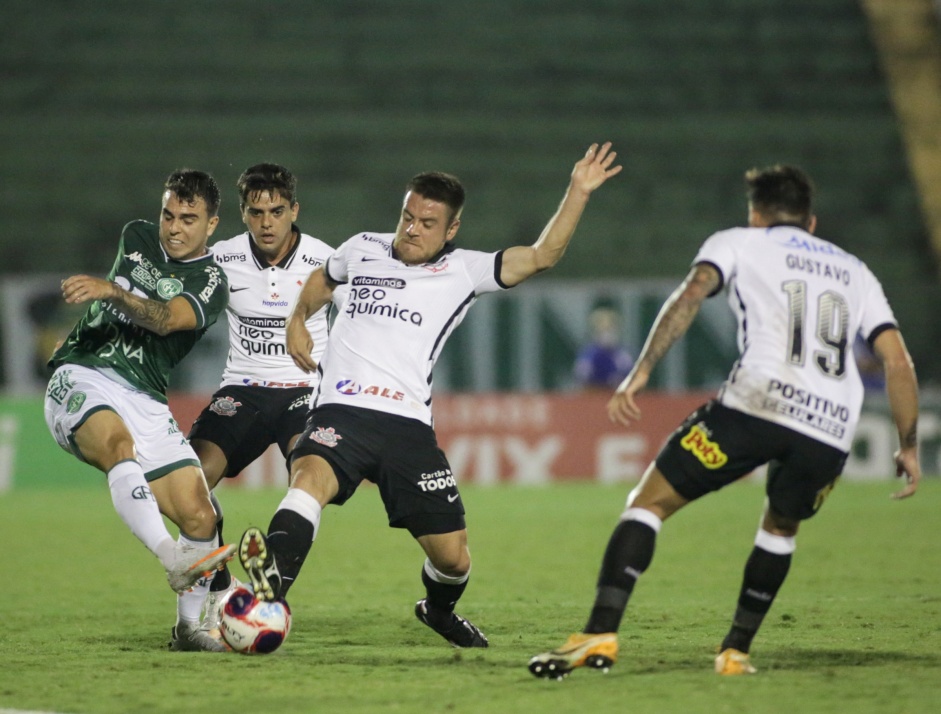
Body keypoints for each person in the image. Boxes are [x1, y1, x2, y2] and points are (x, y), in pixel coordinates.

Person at [528, 165, 920, 678]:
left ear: (756, 214)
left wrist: (642, 369)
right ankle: (735, 652)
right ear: (812, 222)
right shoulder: (856, 271)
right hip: (828, 427)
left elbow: (691, 294)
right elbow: (897, 362)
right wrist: (907, 443)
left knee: (647, 504)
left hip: (754, 406)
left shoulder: (739, 242)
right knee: (781, 528)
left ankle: (599, 632)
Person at [236, 142, 622, 648]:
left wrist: (577, 191)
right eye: (408, 216)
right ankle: (270, 593)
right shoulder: (361, 248)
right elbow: (320, 280)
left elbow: (543, 256)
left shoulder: (464, 270)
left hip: (406, 428)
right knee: (308, 480)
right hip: (342, 410)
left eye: (427, 223)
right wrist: (296, 322)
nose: (412, 229)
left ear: (451, 230)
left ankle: (437, 610)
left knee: (453, 558)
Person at [43, 169, 236, 652]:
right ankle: (170, 555)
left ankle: (189, 629)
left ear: (211, 224)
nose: (174, 227)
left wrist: (113, 291)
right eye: (168, 214)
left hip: (145, 397)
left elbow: (168, 320)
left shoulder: (211, 282)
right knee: (118, 446)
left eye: (188, 219)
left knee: (201, 516)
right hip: (83, 373)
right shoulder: (138, 236)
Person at [185, 163, 335, 642]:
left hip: (305, 390)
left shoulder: (327, 262)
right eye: (256, 212)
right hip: (242, 391)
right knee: (188, 482)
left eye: (276, 211)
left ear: (294, 210)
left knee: (310, 477)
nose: (267, 222)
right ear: (244, 215)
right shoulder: (221, 259)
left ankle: (274, 584)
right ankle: (224, 582)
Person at [573, 303, 634, 390]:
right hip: (592, 398)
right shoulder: (587, 356)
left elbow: (630, 381)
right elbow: (580, 380)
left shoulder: (623, 357)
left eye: (610, 329)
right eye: (603, 330)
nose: (607, 334)